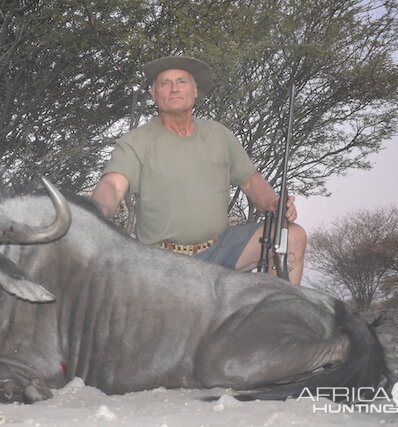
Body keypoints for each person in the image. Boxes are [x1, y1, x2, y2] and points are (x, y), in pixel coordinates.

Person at [91, 56, 307, 284]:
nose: (174, 88)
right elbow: (113, 185)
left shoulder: (218, 134)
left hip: (221, 247)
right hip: (163, 257)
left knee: (293, 235)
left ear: (195, 91)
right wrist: (92, 215)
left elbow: (251, 181)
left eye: (181, 81)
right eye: (165, 83)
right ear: (153, 93)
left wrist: (274, 205)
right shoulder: (135, 141)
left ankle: (280, 315)